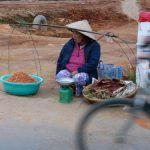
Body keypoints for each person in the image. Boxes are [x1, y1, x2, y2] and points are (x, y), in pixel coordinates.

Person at [56, 20, 101, 96]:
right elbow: (60, 60)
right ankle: (68, 88)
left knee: (78, 78)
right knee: (60, 75)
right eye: (73, 32)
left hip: (84, 73)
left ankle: (79, 91)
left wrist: (78, 71)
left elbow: (93, 63)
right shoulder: (69, 44)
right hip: (68, 71)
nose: (74, 35)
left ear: (84, 36)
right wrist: (58, 73)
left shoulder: (94, 46)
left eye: (76, 33)